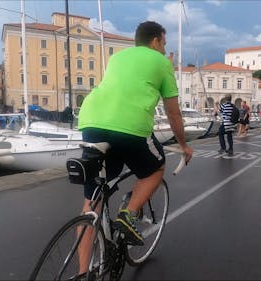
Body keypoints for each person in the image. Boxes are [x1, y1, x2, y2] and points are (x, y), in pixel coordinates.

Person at [77, 20, 194, 267]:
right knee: (156, 168)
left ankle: (82, 271)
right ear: (155, 41)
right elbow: (174, 113)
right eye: (164, 43)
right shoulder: (162, 62)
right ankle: (128, 215)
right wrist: (184, 146)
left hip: (90, 121)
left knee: (91, 205)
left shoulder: (117, 58)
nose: (164, 48)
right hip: (130, 126)